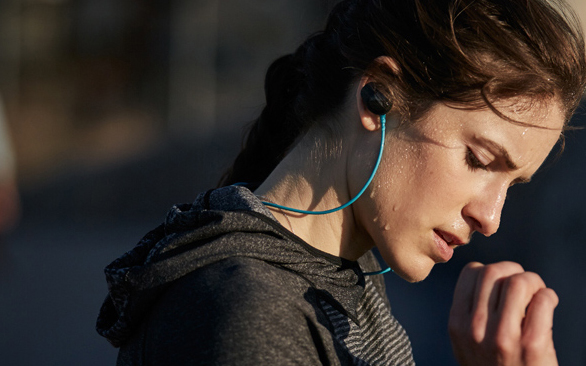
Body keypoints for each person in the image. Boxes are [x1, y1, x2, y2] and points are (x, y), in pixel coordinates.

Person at [96, 0, 586, 364]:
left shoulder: (345, 279)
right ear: (379, 96)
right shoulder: (250, 314)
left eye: (513, 184)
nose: (491, 219)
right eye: (479, 160)